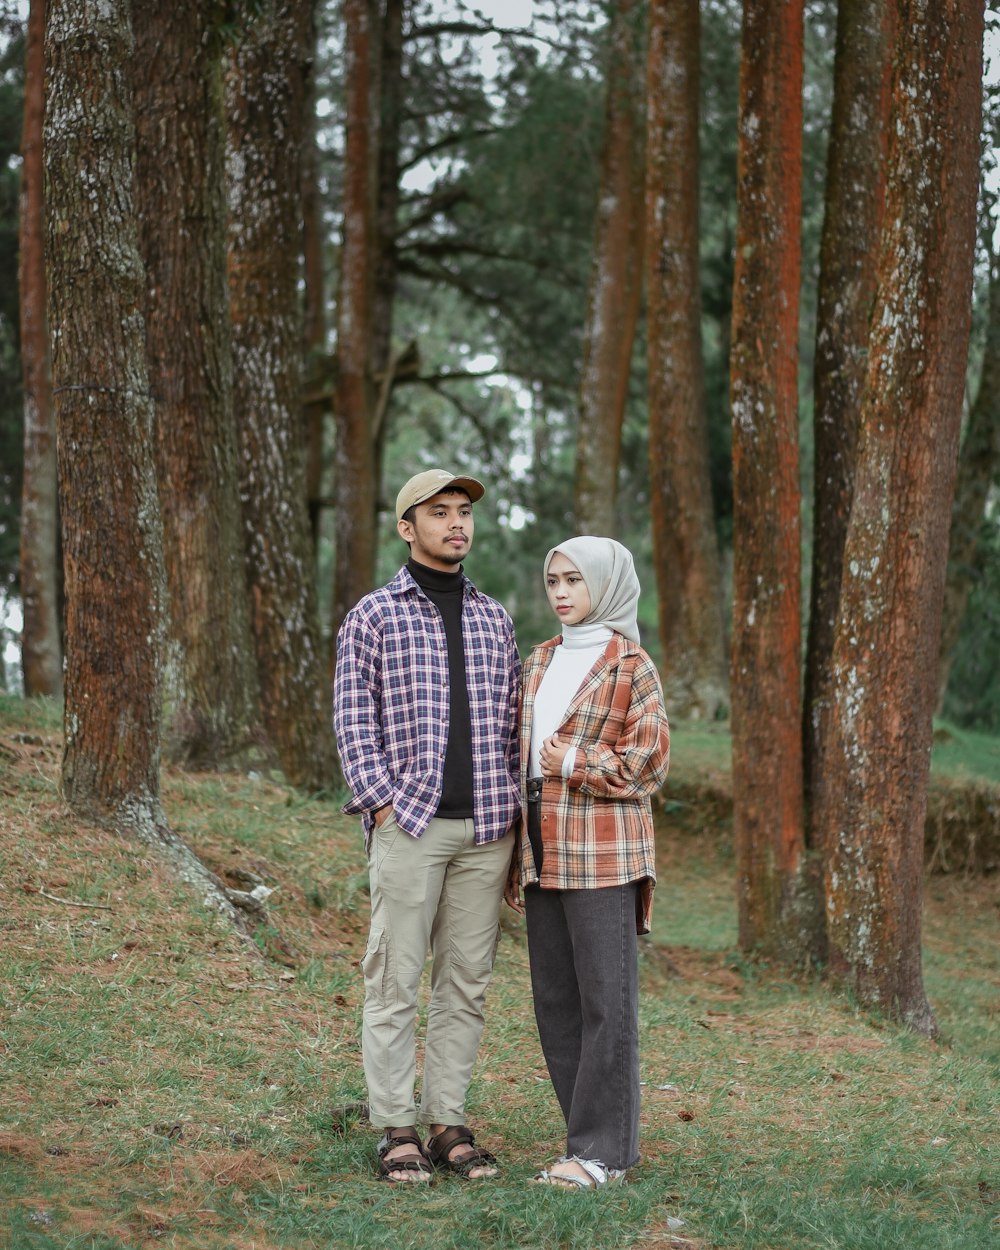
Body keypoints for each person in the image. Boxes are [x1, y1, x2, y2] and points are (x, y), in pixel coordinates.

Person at [333, 468, 521, 1184]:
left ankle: (448, 1123)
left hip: (487, 831)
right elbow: (354, 721)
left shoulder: (492, 616)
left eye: (464, 512)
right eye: (439, 512)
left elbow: (510, 726)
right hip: (409, 826)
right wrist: (382, 802)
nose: (456, 524)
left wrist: (512, 821)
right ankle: (395, 1129)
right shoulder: (374, 615)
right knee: (395, 979)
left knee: (466, 983)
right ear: (408, 528)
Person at [505, 536, 670, 1190]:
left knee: (607, 1002)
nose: (562, 592)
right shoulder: (539, 660)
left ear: (606, 584)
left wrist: (574, 762)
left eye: (575, 580)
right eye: (554, 581)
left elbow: (649, 765)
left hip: (605, 853)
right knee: (556, 1002)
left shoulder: (632, 665)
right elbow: (515, 759)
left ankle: (606, 1156)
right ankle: (584, 1142)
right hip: (542, 851)